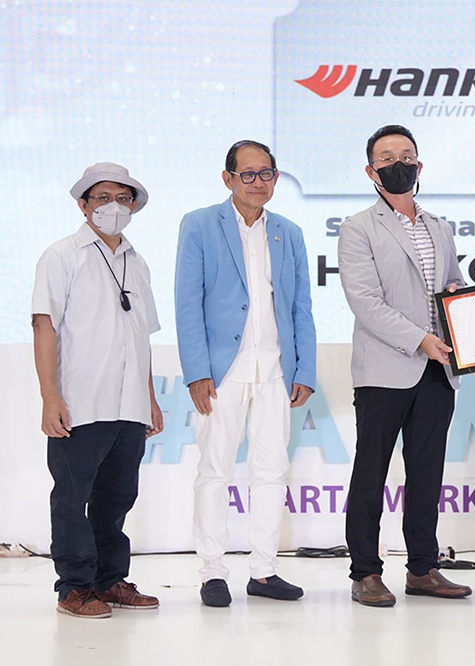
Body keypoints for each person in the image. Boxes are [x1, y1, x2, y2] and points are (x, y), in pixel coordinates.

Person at [175, 140, 316, 607]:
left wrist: (305, 368)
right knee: (214, 470)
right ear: (228, 178)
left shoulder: (289, 232)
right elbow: (187, 302)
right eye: (248, 174)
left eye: (266, 173)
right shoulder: (199, 225)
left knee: (271, 471)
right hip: (221, 371)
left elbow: (301, 306)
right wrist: (196, 370)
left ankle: (264, 571)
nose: (258, 182)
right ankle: (213, 572)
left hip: (276, 367)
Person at [337, 125, 470, 607]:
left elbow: (454, 285)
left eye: (407, 155)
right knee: (370, 473)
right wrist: (420, 339)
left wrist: (461, 300)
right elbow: (365, 302)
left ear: (420, 165)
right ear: (371, 171)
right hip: (385, 369)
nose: (400, 163)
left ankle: (423, 568)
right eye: (388, 157)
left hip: (438, 370)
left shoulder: (439, 226)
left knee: (427, 474)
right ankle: (366, 572)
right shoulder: (358, 227)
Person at [33, 163, 163, 618]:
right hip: (80, 401)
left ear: (134, 206)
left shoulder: (137, 262)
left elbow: (140, 335)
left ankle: (109, 581)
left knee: (117, 497)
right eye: (103, 198)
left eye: (123, 198)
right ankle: (74, 587)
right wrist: (50, 397)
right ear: (83, 204)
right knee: (72, 497)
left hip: (129, 404)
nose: (114, 207)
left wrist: (149, 399)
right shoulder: (62, 255)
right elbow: (44, 326)